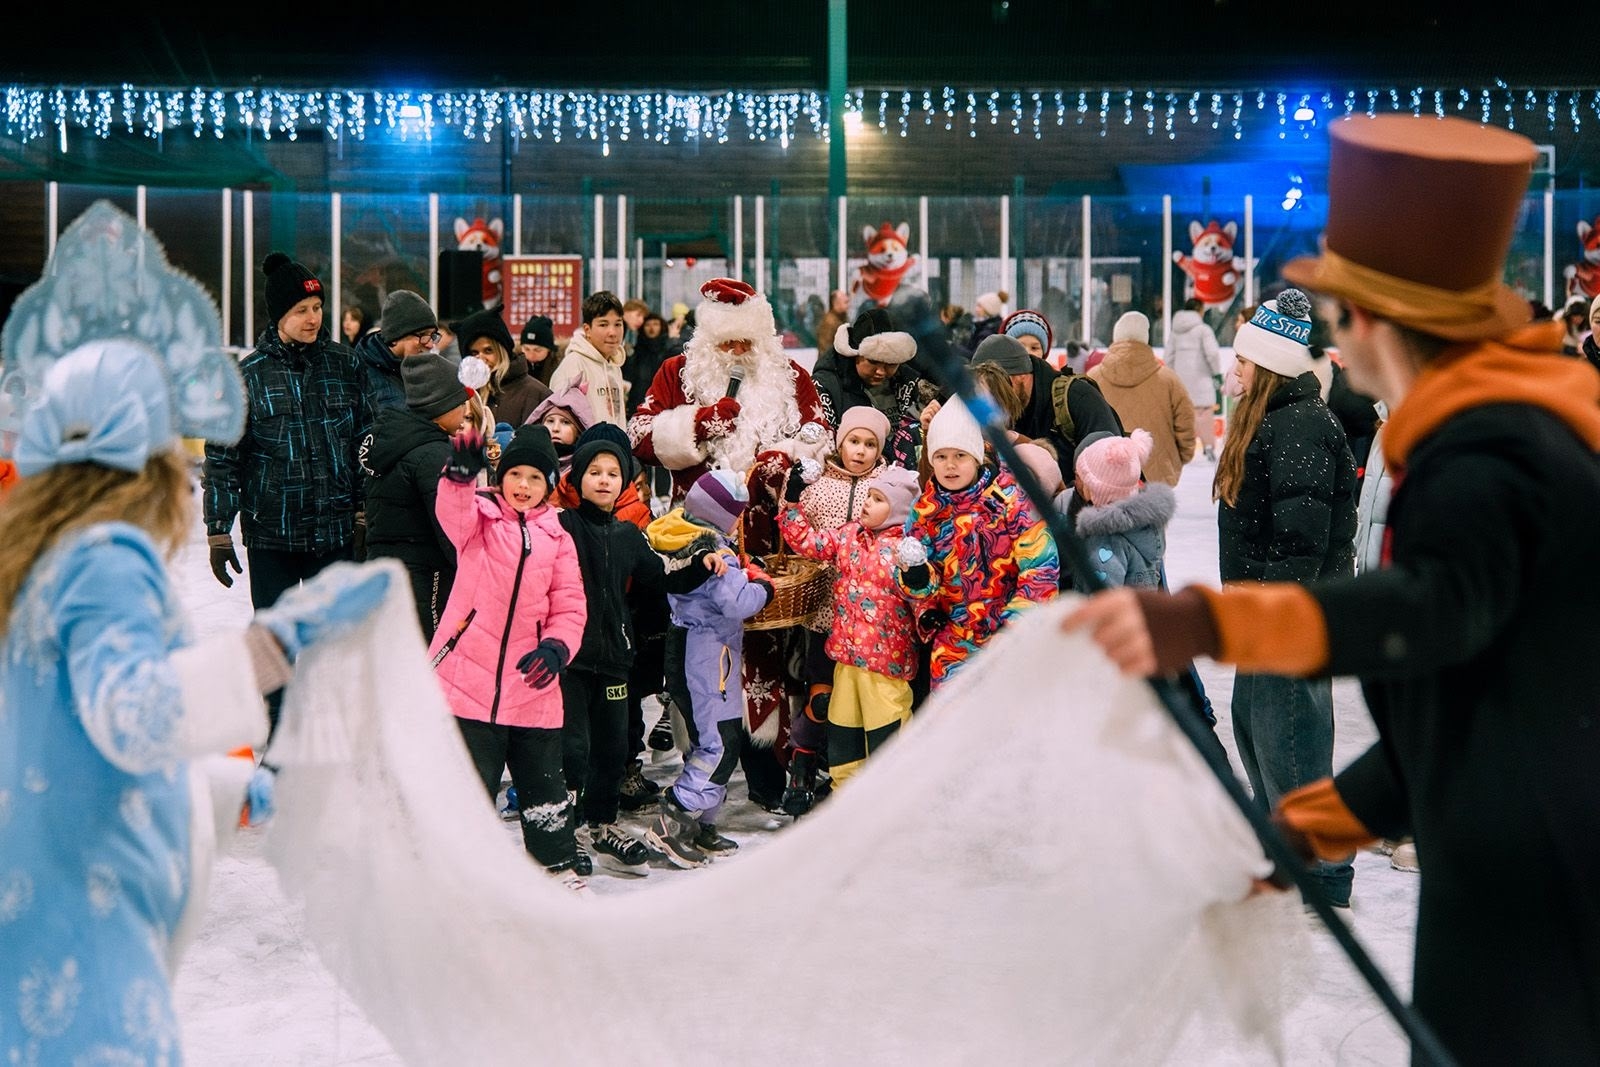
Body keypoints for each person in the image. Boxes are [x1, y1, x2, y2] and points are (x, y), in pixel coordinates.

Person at [1064, 114, 1600, 1063]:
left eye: (1344, 314)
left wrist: (1209, 619)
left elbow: (1429, 613)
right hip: (1514, 866)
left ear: (1385, 321)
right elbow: (1472, 718)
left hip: (1537, 903)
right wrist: (1304, 832)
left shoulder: (1493, 453)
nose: (1340, 343)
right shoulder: (1506, 430)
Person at [0, 200, 390, 1063]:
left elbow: (78, 732)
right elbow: (134, 715)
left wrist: (213, 789)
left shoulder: (42, 554)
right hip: (85, 910)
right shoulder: (103, 558)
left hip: (49, 883)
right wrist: (276, 643)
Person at [629, 277, 833, 806]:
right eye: (726, 344)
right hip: (699, 540)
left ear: (762, 340)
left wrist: (782, 462)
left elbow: (820, 437)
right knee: (708, 659)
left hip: (774, 541)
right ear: (707, 341)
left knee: (772, 657)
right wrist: (695, 423)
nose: (738, 352)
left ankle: (770, 774)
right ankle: (708, 769)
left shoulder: (791, 377)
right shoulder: (677, 373)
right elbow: (640, 436)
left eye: (746, 342)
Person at [202, 251, 371, 730]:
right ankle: (276, 732)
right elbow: (222, 459)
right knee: (273, 642)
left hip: (334, 532)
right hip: (273, 536)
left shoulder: (344, 365)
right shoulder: (247, 376)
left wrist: (362, 513)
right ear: (279, 315)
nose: (313, 318)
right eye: (301, 310)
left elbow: (365, 442)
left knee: (332, 643)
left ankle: (329, 731)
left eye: (317, 308)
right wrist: (218, 530)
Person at [429, 422, 591, 889]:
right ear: (502, 477)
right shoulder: (479, 518)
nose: (523, 486)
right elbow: (451, 509)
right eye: (516, 475)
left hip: (532, 685)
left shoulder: (558, 537)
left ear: (548, 485)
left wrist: (558, 647)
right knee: (466, 787)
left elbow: (570, 604)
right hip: (468, 681)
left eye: (535, 478)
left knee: (544, 787)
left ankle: (556, 866)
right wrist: (458, 475)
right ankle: (453, 874)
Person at [644, 470, 774, 867]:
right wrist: (763, 585)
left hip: (692, 652)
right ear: (722, 515)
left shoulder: (684, 542)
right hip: (708, 659)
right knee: (719, 743)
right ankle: (675, 816)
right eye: (737, 513)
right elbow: (737, 603)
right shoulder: (719, 553)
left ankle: (703, 825)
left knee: (717, 739)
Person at [555, 426, 669, 877]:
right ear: (577, 478)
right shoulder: (562, 526)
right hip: (571, 660)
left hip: (615, 660)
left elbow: (660, 581)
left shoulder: (627, 535)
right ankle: (563, 831)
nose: (604, 480)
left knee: (612, 748)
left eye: (613, 473)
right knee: (573, 748)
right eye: (594, 472)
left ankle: (601, 825)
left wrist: (703, 563)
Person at [893, 395, 1059, 689]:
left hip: (1008, 638)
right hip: (954, 640)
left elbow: (1040, 571)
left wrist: (1014, 629)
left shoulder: (1011, 502)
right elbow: (917, 582)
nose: (950, 466)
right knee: (952, 721)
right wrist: (917, 581)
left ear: (977, 456)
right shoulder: (926, 511)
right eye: (941, 456)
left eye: (960, 456)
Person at [776, 404, 892, 814]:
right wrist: (790, 502)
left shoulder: (888, 487)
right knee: (821, 696)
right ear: (841, 442)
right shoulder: (819, 485)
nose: (860, 451)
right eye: (853, 442)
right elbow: (800, 536)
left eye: (869, 444)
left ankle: (855, 772)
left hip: (876, 625)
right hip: (826, 614)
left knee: (861, 703)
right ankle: (802, 768)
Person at [779, 462, 921, 787]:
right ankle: (846, 807)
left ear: (898, 510)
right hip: (846, 661)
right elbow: (807, 542)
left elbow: (925, 596)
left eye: (878, 499)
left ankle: (892, 808)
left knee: (889, 744)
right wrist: (792, 502)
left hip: (885, 669)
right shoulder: (849, 537)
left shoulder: (904, 549)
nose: (867, 503)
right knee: (845, 741)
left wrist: (919, 577)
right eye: (868, 496)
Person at [360, 348, 472, 640]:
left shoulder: (392, 441)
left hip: (383, 569)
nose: (465, 411)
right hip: (425, 574)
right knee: (431, 655)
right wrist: (471, 572)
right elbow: (450, 527)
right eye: (460, 403)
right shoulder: (436, 454)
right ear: (440, 406)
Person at [967, 332, 1124, 489]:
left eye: (997, 387)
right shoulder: (990, 409)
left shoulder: (1078, 398)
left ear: (1021, 376)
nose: (990, 397)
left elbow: (1114, 467)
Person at [1087, 311, 1196, 486]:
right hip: (1158, 476)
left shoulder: (1093, 377)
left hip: (1106, 474)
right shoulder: (1168, 379)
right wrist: (1175, 459)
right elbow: (1186, 423)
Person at [811, 308, 924, 468]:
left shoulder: (911, 382)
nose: (881, 371)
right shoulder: (826, 386)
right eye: (872, 361)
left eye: (890, 364)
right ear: (853, 354)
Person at [1070, 428, 1175, 591]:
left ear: (1096, 489)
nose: (1077, 482)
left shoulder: (1106, 538)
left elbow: (1103, 603)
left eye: (1081, 477)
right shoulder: (1148, 525)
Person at [355, 289, 440, 420]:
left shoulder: (421, 371)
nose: (429, 344)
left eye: (432, 335)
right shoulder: (361, 373)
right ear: (395, 337)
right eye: (422, 335)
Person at [551, 290, 629, 427]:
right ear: (587, 330)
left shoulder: (614, 365)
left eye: (618, 324)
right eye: (603, 324)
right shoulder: (574, 365)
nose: (613, 332)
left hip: (615, 447)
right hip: (587, 448)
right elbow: (562, 422)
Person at [1166, 297, 1224, 461]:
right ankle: (1208, 447)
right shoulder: (1203, 330)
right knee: (1204, 414)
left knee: (1183, 415)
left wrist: (1172, 377)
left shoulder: (1175, 331)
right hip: (1202, 379)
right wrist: (1216, 372)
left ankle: (1182, 448)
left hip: (1181, 381)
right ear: (1199, 309)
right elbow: (1212, 354)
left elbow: (1168, 357)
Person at [527, 383, 597, 483]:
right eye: (550, 421)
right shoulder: (527, 461)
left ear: (579, 429)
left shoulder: (586, 469)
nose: (555, 429)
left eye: (565, 422)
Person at [520, 313, 560, 388]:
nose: (531, 355)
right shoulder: (513, 367)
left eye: (537, 350)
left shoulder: (560, 369)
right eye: (526, 349)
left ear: (549, 349)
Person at [816, 287, 850, 353]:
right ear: (836, 303)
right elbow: (825, 348)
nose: (848, 305)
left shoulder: (841, 317)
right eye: (846, 302)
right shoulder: (829, 322)